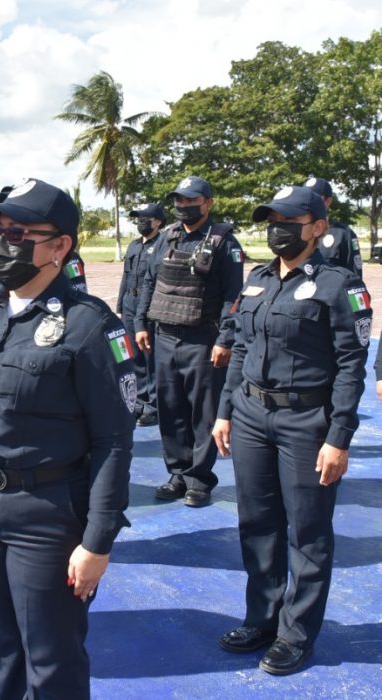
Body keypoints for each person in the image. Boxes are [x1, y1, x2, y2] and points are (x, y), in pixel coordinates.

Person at [0, 179, 135, 699]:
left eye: (20, 232)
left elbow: (114, 439)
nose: (3, 243)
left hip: (46, 514)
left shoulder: (90, 326)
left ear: (61, 246)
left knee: (51, 656)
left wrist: (97, 540)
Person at [212, 185, 371, 675]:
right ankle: (261, 617)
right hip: (253, 415)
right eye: (272, 220)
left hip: (307, 421)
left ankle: (296, 633)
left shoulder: (338, 285)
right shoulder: (257, 279)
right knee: (257, 523)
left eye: (290, 220)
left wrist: (339, 436)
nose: (278, 229)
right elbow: (240, 349)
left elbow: (351, 365)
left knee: (307, 531)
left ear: (319, 227)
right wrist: (225, 411)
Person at [135, 176, 244, 507]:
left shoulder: (225, 242)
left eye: (191, 200)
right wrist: (141, 322)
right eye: (179, 201)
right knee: (170, 409)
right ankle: (178, 473)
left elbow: (233, 296)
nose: (184, 206)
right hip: (164, 335)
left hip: (203, 339)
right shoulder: (167, 238)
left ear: (207, 203)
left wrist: (225, 338)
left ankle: (199, 479)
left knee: (203, 412)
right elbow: (149, 281)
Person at [119, 203, 166, 427]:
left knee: (150, 357)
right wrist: (120, 304)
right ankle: (138, 401)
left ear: (157, 221)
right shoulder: (134, 246)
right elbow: (125, 277)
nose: (140, 223)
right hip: (129, 301)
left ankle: (154, 406)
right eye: (138, 218)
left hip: (148, 306)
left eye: (145, 219)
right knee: (133, 355)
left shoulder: (163, 245)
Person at [304, 177, 362, 276]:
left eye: (314, 198)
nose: (308, 203)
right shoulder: (297, 230)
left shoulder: (344, 234)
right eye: (305, 198)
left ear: (328, 201)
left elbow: (354, 277)